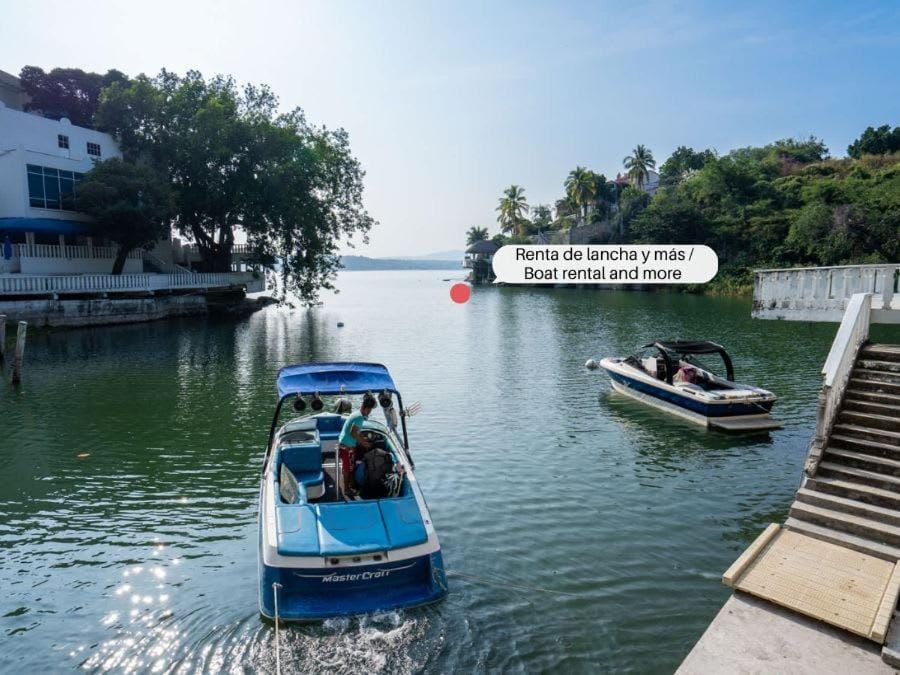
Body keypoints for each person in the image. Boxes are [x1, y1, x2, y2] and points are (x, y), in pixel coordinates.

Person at [337, 394, 376, 497]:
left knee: (349, 466)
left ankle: (350, 483)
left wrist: (362, 439)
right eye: (370, 410)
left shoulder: (356, 414)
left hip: (343, 443)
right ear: (366, 408)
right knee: (348, 468)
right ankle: (346, 490)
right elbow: (353, 432)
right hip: (347, 446)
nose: (369, 412)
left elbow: (355, 432)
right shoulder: (359, 418)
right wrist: (364, 443)